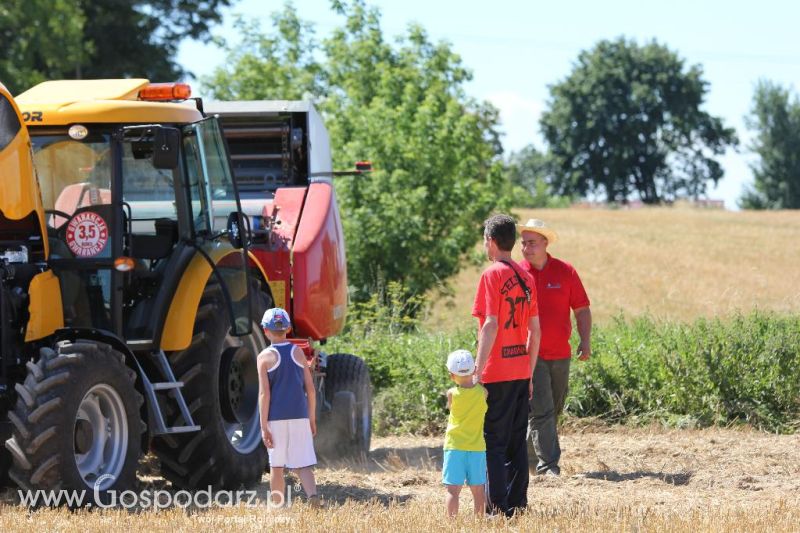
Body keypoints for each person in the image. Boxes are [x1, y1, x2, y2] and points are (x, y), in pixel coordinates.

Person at [472, 214, 541, 517]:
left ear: (491, 240)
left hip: (497, 372)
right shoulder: (527, 279)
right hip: (521, 370)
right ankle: (518, 504)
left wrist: (477, 371)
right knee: (516, 444)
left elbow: (490, 325)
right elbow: (535, 330)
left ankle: (497, 509)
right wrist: (529, 371)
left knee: (493, 443)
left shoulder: (492, 275)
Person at [517, 218, 592, 476]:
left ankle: (524, 458)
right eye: (523, 243)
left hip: (561, 355)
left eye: (532, 243)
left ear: (545, 243)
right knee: (543, 411)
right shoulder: (516, 274)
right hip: (530, 355)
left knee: (552, 411)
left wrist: (585, 340)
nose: (526, 248)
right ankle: (549, 466)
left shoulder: (565, 271)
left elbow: (582, 309)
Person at [256, 307, 321, 508]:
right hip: (300, 416)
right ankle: (312, 496)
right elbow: (310, 389)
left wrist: (263, 425)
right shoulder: (298, 352)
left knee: (276, 466)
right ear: (289, 329)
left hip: (276, 417)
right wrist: (311, 418)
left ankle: (278, 506)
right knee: (303, 464)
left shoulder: (264, 357)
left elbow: (264, 394)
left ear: (265, 330)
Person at [442, 349, 488, 518]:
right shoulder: (483, 393)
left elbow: (450, 407)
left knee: (453, 490)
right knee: (478, 490)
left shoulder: (451, 394)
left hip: (454, 446)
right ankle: (479, 523)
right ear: (475, 370)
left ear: (451, 375)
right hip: (476, 447)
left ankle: (452, 524)